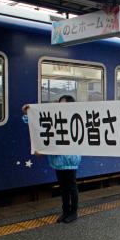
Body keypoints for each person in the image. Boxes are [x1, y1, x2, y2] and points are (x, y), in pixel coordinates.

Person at [22, 95, 81, 223]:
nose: (60, 106)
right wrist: (28, 113)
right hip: (57, 161)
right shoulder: (55, 117)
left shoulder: (74, 118)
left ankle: (74, 212)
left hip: (70, 160)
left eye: (63, 104)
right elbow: (37, 123)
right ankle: (66, 212)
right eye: (59, 103)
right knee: (64, 188)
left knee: (71, 187)